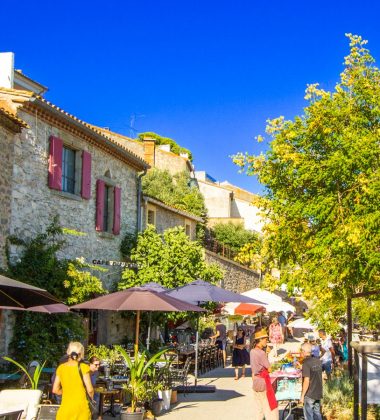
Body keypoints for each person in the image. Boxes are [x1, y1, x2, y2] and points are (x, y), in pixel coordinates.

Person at [53, 341, 94, 420]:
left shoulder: (61, 368)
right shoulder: (83, 367)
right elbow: (90, 389)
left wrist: (68, 391)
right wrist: (92, 398)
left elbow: (55, 390)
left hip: (65, 410)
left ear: (68, 353)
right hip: (81, 409)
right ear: (81, 354)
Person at [250, 329, 278, 420]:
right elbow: (269, 368)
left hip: (256, 381)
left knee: (259, 409)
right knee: (268, 409)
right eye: (265, 339)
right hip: (263, 382)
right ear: (260, 340)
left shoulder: (252, 351)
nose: (267, 341)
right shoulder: (261, 353)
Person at [300, 342, 323, 420]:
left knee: (309, 416)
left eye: (301, 351)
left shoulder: (306, 363)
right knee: (317, 414)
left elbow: (306, 380)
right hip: (318, 392)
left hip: (310, 393)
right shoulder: (318, 361)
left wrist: (302, 396)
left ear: (304, 352)